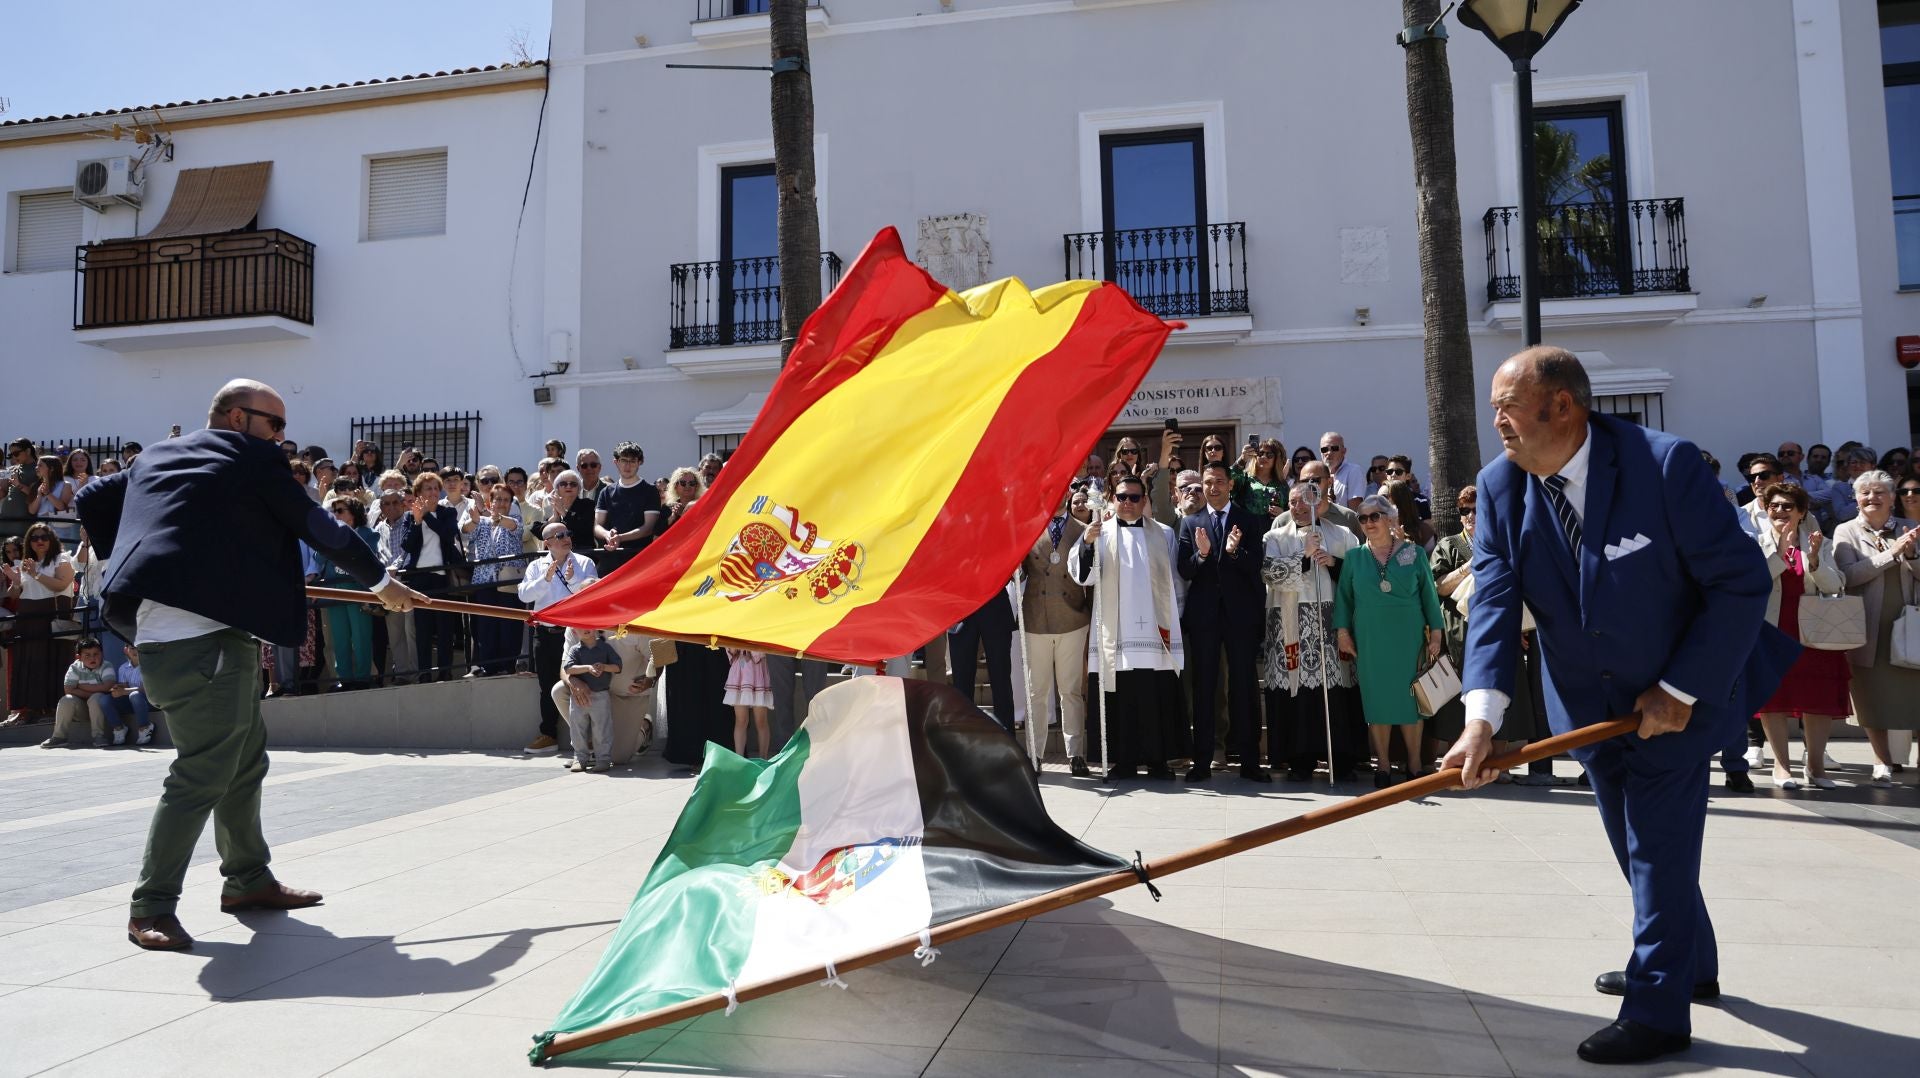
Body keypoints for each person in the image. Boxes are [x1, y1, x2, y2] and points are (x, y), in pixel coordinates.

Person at [1443, 348, 1791, 1065]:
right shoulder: (1502, 487)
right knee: (1636, 848)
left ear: (1562, 406)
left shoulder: (1663, 466)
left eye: (1508, 406)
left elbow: (1740, 583)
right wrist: (1481, 719)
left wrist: (1679, 689)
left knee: (1656, 848)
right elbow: (1495, 607)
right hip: (1587, 708)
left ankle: (1658, 1010)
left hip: (1675, 703)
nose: (1497, 421)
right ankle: (1689, 965)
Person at [75, 378, 421, 952]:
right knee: (203, 771)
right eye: (274, 424)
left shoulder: (158, 455)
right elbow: (320, 527)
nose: (282, 438)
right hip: (193, 638)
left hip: (210, 632)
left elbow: (91, 498)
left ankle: (247, 880)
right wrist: (382, 583)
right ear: (237, 417)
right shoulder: (250, 455)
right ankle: (151, 905)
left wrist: (134, 563)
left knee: (243, 761)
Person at [1069, 474, 1185, 781]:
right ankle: (1124, 761)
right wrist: (1087, 543)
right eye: (1122, 497)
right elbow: (1082, 576)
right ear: (1113, 499)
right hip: (1116, 633)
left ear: (1144, 500)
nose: (1128, 503)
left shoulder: (1163, 534)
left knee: (1154, 696)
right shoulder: (1099, 533)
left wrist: (1177, 618)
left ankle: (1158, 761)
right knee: (1120, 698)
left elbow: (1175, 580)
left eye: (1135, 497)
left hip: (1155, 632)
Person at [1333, 494, 1445, 788]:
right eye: (1363, 518)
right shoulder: (1355, 557)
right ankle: (1382, 765)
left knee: (1411, 701)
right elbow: (1344, 599)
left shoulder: (1413, 553)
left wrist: (1436, 632)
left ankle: (1414, 763)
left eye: (1374, 516)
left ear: (1390, 518)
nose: (1368, 523)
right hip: (1370, 638)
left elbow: (1429, 595)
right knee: (1377, 701)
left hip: (1409, 636)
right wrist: (1342, 633)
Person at [1749, 482, 1849, 789]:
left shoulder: (1820, 543)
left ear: (1802, 512)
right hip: (1772, 632)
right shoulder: (1756, 543)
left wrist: (1815, 560)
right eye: (1774, 506)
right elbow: (1754, 582)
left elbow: (1836, 586)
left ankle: (1816, 767)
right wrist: (1780, 551)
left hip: (1813, 633)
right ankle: (1782, 767)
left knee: (1817, 699)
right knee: (1773, 700)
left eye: (1787, 506)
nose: (1780, 511)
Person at [1262, 484, 1363, 780]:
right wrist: (1304, 557)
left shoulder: (1342, 534)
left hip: (1331, 623)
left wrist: (1334, 563)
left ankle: (1342, 760)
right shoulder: (1274, 537)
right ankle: (1300, 760)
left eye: (1305, 501)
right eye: (1293, 502)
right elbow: (1269, 574)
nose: (1298, 508)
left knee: (1335, 692)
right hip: (1290, 624)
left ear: (1318, 502)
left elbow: (1359, 574)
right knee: (1299, 695)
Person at [1177, 461, 1270, 783]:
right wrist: (1202, 554)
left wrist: (1234, 552)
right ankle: (1201, 762)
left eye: (1219, 481)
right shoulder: (1190, 522)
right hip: (1204, 618)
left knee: (1244, 686)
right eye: (1207, 482)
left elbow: (1256, 564)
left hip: (1240, 616)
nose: (1213, 487)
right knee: (1204, 687)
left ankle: (1250, 762)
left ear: (1230, 484)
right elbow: (1185, 569)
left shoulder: (1249, 520)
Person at [1832, 468, 1920, 788]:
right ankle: (1882, 761)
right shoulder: (1846, 531)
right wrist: (1891, 554)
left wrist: (1911, 555)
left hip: (1911, 624)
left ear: (1893, 498)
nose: (1872, 497)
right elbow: (1848, 576)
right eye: (1865, 492)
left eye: (1880, 492)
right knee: (1872, 698)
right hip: (1868, 627)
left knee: (1916, 696)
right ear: (1856, 499)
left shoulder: (1911, 528)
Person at [1021, 491, 1093, 775]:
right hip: (1036, 619)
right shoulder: (1029, 528)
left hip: (1072, 619)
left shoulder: (1084, 530)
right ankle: (1034, 754)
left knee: (1071, 691)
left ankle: (1075, 754)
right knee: (1037, 691)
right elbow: (1020, 573)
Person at [518, 522, 600, 755]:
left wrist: (572, 581)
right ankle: (548, 735)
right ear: (547, 543)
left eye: (568, 533)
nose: (566, 538)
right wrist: (545, 579)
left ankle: (590, 738)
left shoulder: (585, 562)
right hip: (545, 634)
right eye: (560, 535)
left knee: (582, 684)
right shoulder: (536, 566)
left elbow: (591, 595)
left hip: (575, 635)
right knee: (546, 686)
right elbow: (524, 595)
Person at [1, 521, 77, 725]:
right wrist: (16, 581)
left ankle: (52, 710)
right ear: (29, 542)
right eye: (34, 538)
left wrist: (36, 573)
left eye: (44, 537)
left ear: (52, 539)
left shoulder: (62, 558)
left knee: (51, 662)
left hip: (51, 617)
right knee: (29, 665)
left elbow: (61, 584)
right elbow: (15, 594)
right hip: (27, 618)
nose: (39, 541)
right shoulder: (26, 563)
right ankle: (31, 710)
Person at [395, 472, 466, 682]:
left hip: (442, 576)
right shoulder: (410, 516)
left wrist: (426, 516)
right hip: (419, 579)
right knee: (422, 630)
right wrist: (417, 522)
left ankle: (445, 671)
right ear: (418, 492)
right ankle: (424, 672)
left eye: (436, 488)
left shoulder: (447, 512)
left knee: (445, 629)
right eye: (428, 488)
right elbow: (407, 545)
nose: (433, 492)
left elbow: (448, 534)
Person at [316, 497, 381, 690]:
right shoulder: (330, 535)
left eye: (340, 510)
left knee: (361, 637)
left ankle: (362, 678)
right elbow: (318, 557)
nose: (335, 514)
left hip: (358, 590)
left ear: (353, 513)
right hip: (335, 592)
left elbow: (370, 558)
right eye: (334, 511)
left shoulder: (368, 534)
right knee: (339, 638)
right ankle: (344, 678)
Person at [463, 481, 526, 676]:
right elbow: (464, 531)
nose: (501, 503)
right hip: (484, 580)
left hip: (508, 581)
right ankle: (488, 667)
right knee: (486, 626)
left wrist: (492, 516)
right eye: (497, 499)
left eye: (506, 500)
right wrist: (475, 519)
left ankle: (507, 666)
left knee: (509, 626)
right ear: (490, 501)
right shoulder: (480, 521)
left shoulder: (515, 519)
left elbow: (515, 527)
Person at [950, 584, 1017, 732]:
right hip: (960, 606)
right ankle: (964, 738)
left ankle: (1006, 738)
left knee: (1001, 678)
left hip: (995, 602)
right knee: (961, 680)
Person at [562, 628, 623, 773]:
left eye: (588, 625)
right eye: (580, 627)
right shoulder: (575, 650)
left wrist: (604, 667)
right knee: (577, 728)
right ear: (574, 632)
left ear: (595, 627)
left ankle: (603, 759)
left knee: (602, 729)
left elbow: (618, 667)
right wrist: (588, 668)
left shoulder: (605, 648)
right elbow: (568, 668)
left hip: (601, 695)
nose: (585, 629)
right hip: (579, 697)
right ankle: (580, 758)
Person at [595, 441, 662, 571]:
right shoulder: (606, 492)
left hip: (639, 560)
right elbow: (597, 526)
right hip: (610, 560)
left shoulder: (650, 491)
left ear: (640, 462)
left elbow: (648, 528)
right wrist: (607, 534)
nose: (627, 465)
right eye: (623, 460)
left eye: (632, 461)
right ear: (616, 462)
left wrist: (620, 537)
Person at [46, 636, 116, 748]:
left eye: (96, 654)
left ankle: (99, 736)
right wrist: (95, 691)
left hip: (102, 711)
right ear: (78, 657)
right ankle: (59, 737)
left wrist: (82, 687)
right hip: (82, 710)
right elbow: (68, 690)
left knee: (96, 698)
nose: (92, 658)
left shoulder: (106, 665)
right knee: (66, 700)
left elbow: (108, 686)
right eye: (87, 655)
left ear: (102, 654)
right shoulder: (74, 667)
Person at [723, 647, 773, 758]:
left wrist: (752, 650)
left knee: (761, 721)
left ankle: (763, 759)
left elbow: (765, 646)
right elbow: (730, 649)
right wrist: (734, 647)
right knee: (741, 720)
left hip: (758, 669)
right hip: (739, 671)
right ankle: (739, 759)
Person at [105, 643, 156, 746]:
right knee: (104, 700)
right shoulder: (123, 668)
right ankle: (119, 729)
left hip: (150, 702)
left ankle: (145, 727)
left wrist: (124, 691)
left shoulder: (150, 665)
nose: (135, 651)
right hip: (131, 702)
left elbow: (146, 689)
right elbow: (124, 687)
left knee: (135, 695)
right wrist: (117, 690)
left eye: (138, 647)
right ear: (126, 650)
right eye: (132, 648)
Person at [1232, 438, 1286, 519]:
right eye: (1260, 453)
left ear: (1276, 459)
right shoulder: (1244, 478)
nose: (1264, 457)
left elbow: (1291, 508)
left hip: (1273, 525)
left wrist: (1283, 514)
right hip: (1247, 525)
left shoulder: (1282, 483)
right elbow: (1226, 481)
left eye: (1269, 455)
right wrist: (1242, 460)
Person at [1318, 432, 1368, 509]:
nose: (1329, 453)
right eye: (1324, 449)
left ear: (1344, 451)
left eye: (1334, 448)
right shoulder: (1318, 475)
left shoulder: (1354, 471)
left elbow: (1354, 510)